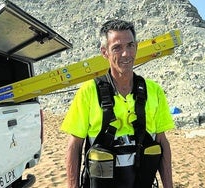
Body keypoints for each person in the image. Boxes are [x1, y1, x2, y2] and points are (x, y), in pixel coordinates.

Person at [61, 19, 174, 188]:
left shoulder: (154, 91)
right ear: (104, 52)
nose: (126, 54)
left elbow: (162, 141)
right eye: (117, 48)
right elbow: (74, 145)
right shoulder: (89, 91)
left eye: (130, 45)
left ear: (136, 47)